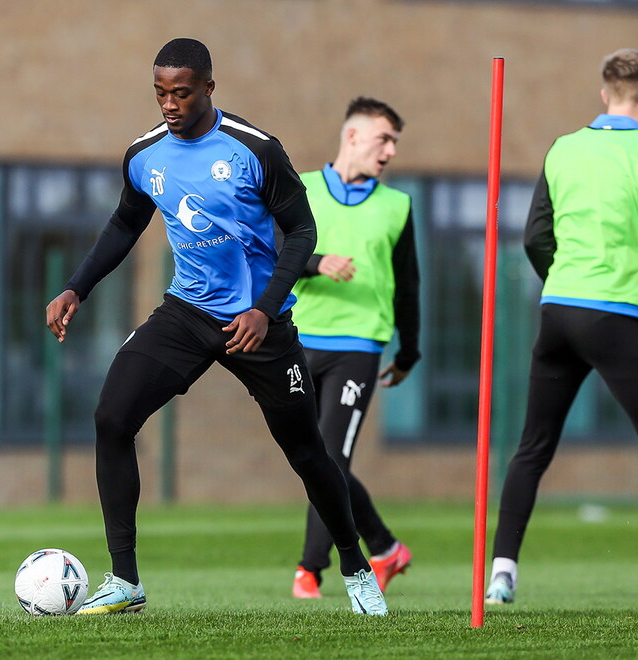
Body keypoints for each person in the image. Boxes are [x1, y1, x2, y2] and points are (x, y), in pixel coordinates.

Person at [45, 38, 386, 616]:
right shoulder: (144, 155)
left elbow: (302, 233)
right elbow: (126, 223)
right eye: (160, 93)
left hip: (261, 325)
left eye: (181, 92)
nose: (170, 104)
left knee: (307, 452)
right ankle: (125, 580)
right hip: (186, 312)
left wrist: (265, 307)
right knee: (111, 418)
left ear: (208, 87)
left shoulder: (256, 149)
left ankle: (356, 569)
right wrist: (78, 285)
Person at [485, 49, 638, 608]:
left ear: (603, 94)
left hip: (558, 312)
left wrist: (562, 286)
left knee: (531, 447)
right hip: (618, 316)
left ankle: (501, 577)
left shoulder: (562, 148)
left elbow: (532, 239)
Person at [288, 98, 420, 599]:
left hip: (359, 345)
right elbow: (270, 249)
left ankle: (310, 569)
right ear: (352, 136)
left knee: (331, 458)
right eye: (383, 138)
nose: (389, 150)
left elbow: (410, 284)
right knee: (309, 455)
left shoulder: (397, 205)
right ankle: (386, 548)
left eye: (394, 143)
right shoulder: (301, 188)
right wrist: (316, 262)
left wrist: (410, 351)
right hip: (298, 339)